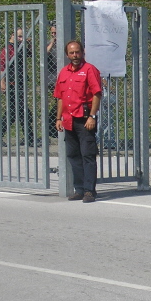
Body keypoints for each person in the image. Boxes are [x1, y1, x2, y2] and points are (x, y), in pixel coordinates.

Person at [54, 40, 103, 203]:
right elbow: (60, 97)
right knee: (73, 155)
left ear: (83, 53)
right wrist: (58, 118)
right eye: (72, 53)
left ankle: (90, 191)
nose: (75, 55)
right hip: (68, 120)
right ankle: (79, 189)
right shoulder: (63, 72)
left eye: (77, 52)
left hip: (84, 120)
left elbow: (97, 94)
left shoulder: (90, 70)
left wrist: (92, 116)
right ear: (67, 54)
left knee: (87, 155)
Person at [0, 28, 35, 147]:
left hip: (20, 83)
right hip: (11, 84)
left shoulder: (20, 47)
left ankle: (29, 137)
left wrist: (29, 43)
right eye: (19, 37)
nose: (21, 39)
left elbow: (31, 54)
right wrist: (2, 82)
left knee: (21, 111)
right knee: (16, 112)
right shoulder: (8, 49)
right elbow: (2, 66)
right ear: (12, 35)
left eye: (22, 37)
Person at [46, 23, 58, 137]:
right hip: (52, 79)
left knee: (60, 103)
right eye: (52, 33)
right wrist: (53, 42)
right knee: (59, 102)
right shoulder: (49, 43)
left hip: (63, 78)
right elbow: (45, 53)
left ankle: (53, 127)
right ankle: (50, 126)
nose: (54, 35)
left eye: (56, 33)